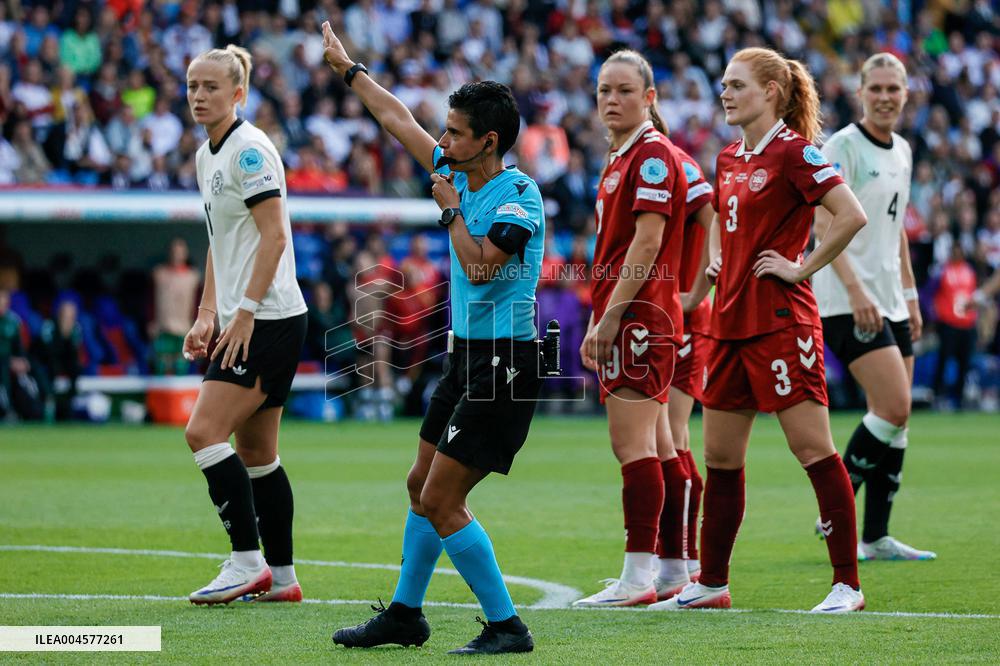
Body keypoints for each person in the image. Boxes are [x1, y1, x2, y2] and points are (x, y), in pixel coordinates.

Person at [322, 21, 544, 655]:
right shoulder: (459, 168)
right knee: (420, 484)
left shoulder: (519, 195)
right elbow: (396, 119)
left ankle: (507, 626)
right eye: (443, 129)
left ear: (489, 141)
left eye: (453, 132)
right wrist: (348, 67)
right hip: (464, 356)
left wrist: (448, 207)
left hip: (505, 362)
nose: (441, 140)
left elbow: (479, 265)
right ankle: (404, 615)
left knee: (444, 499)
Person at [650, 47, 869, 613]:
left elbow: (850, 215)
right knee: (720, 458)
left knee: (813, 449)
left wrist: (800, 266)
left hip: (779, 322)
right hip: (726, 323)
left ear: (771, 90)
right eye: (723, 83)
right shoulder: (727, 158)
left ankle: (847, 584)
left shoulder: (797, 153)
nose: (725, 93)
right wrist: (715, 270)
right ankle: (712, 583)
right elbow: (726, 227)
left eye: (737, 84)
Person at [182, 45, 308, 606]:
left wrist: (244, 312)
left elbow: (275, 236)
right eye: (192, 86)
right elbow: (220, 242)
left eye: (210, 87)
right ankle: (281, 580)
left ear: (238, 94)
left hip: (268, 319)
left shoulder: (250, 151)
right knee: (258, 454)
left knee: (203, 432)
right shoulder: (206, 154)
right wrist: (208, 313)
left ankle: (245, 561)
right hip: (253, 317)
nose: (198, 96)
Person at [572, 50, 692, 608]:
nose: (611, 100)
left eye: (623, 90)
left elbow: (647, 243)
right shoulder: (622, 157)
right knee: (661, 444)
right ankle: (670, 569)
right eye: (603, 91)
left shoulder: (649, 157)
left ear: (650, 97)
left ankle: (637, 576)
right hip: (644, 313)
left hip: (640, 315)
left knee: (632, 444)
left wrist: (610, 316)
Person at [811, 53, 936, 560]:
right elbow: (824, 224)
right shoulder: (843, 145)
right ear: (860, 91)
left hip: (890, 299)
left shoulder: (903, 150)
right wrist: (859, 292)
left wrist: (907, 294)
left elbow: (898, 228)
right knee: (894, 406)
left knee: (895, 419)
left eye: (894, 88)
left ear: (906, 93)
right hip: (847, 299)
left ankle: (875, 536)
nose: (885, 97)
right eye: (876, 88)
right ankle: (833, 514)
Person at [662, 145, 717, 586]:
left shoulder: (672, 161)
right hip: (659, 317)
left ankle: (678, 563)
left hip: (680, 320)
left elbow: (713, 217)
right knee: (668, 438)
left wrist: (697, 293)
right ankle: (684, 562)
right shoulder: (627, 159)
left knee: (668, 437)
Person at [151, 237, 201, 375]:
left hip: (184, 327)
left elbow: (199, 301)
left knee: (182, 363)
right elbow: (151, 298)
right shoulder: (159, 273)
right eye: (174, 251)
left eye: (180, 251)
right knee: (161, 363)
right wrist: (151, 321)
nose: (176, 254)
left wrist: (198, 322)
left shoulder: (193, 276)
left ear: (186, 253)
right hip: (163, 326)